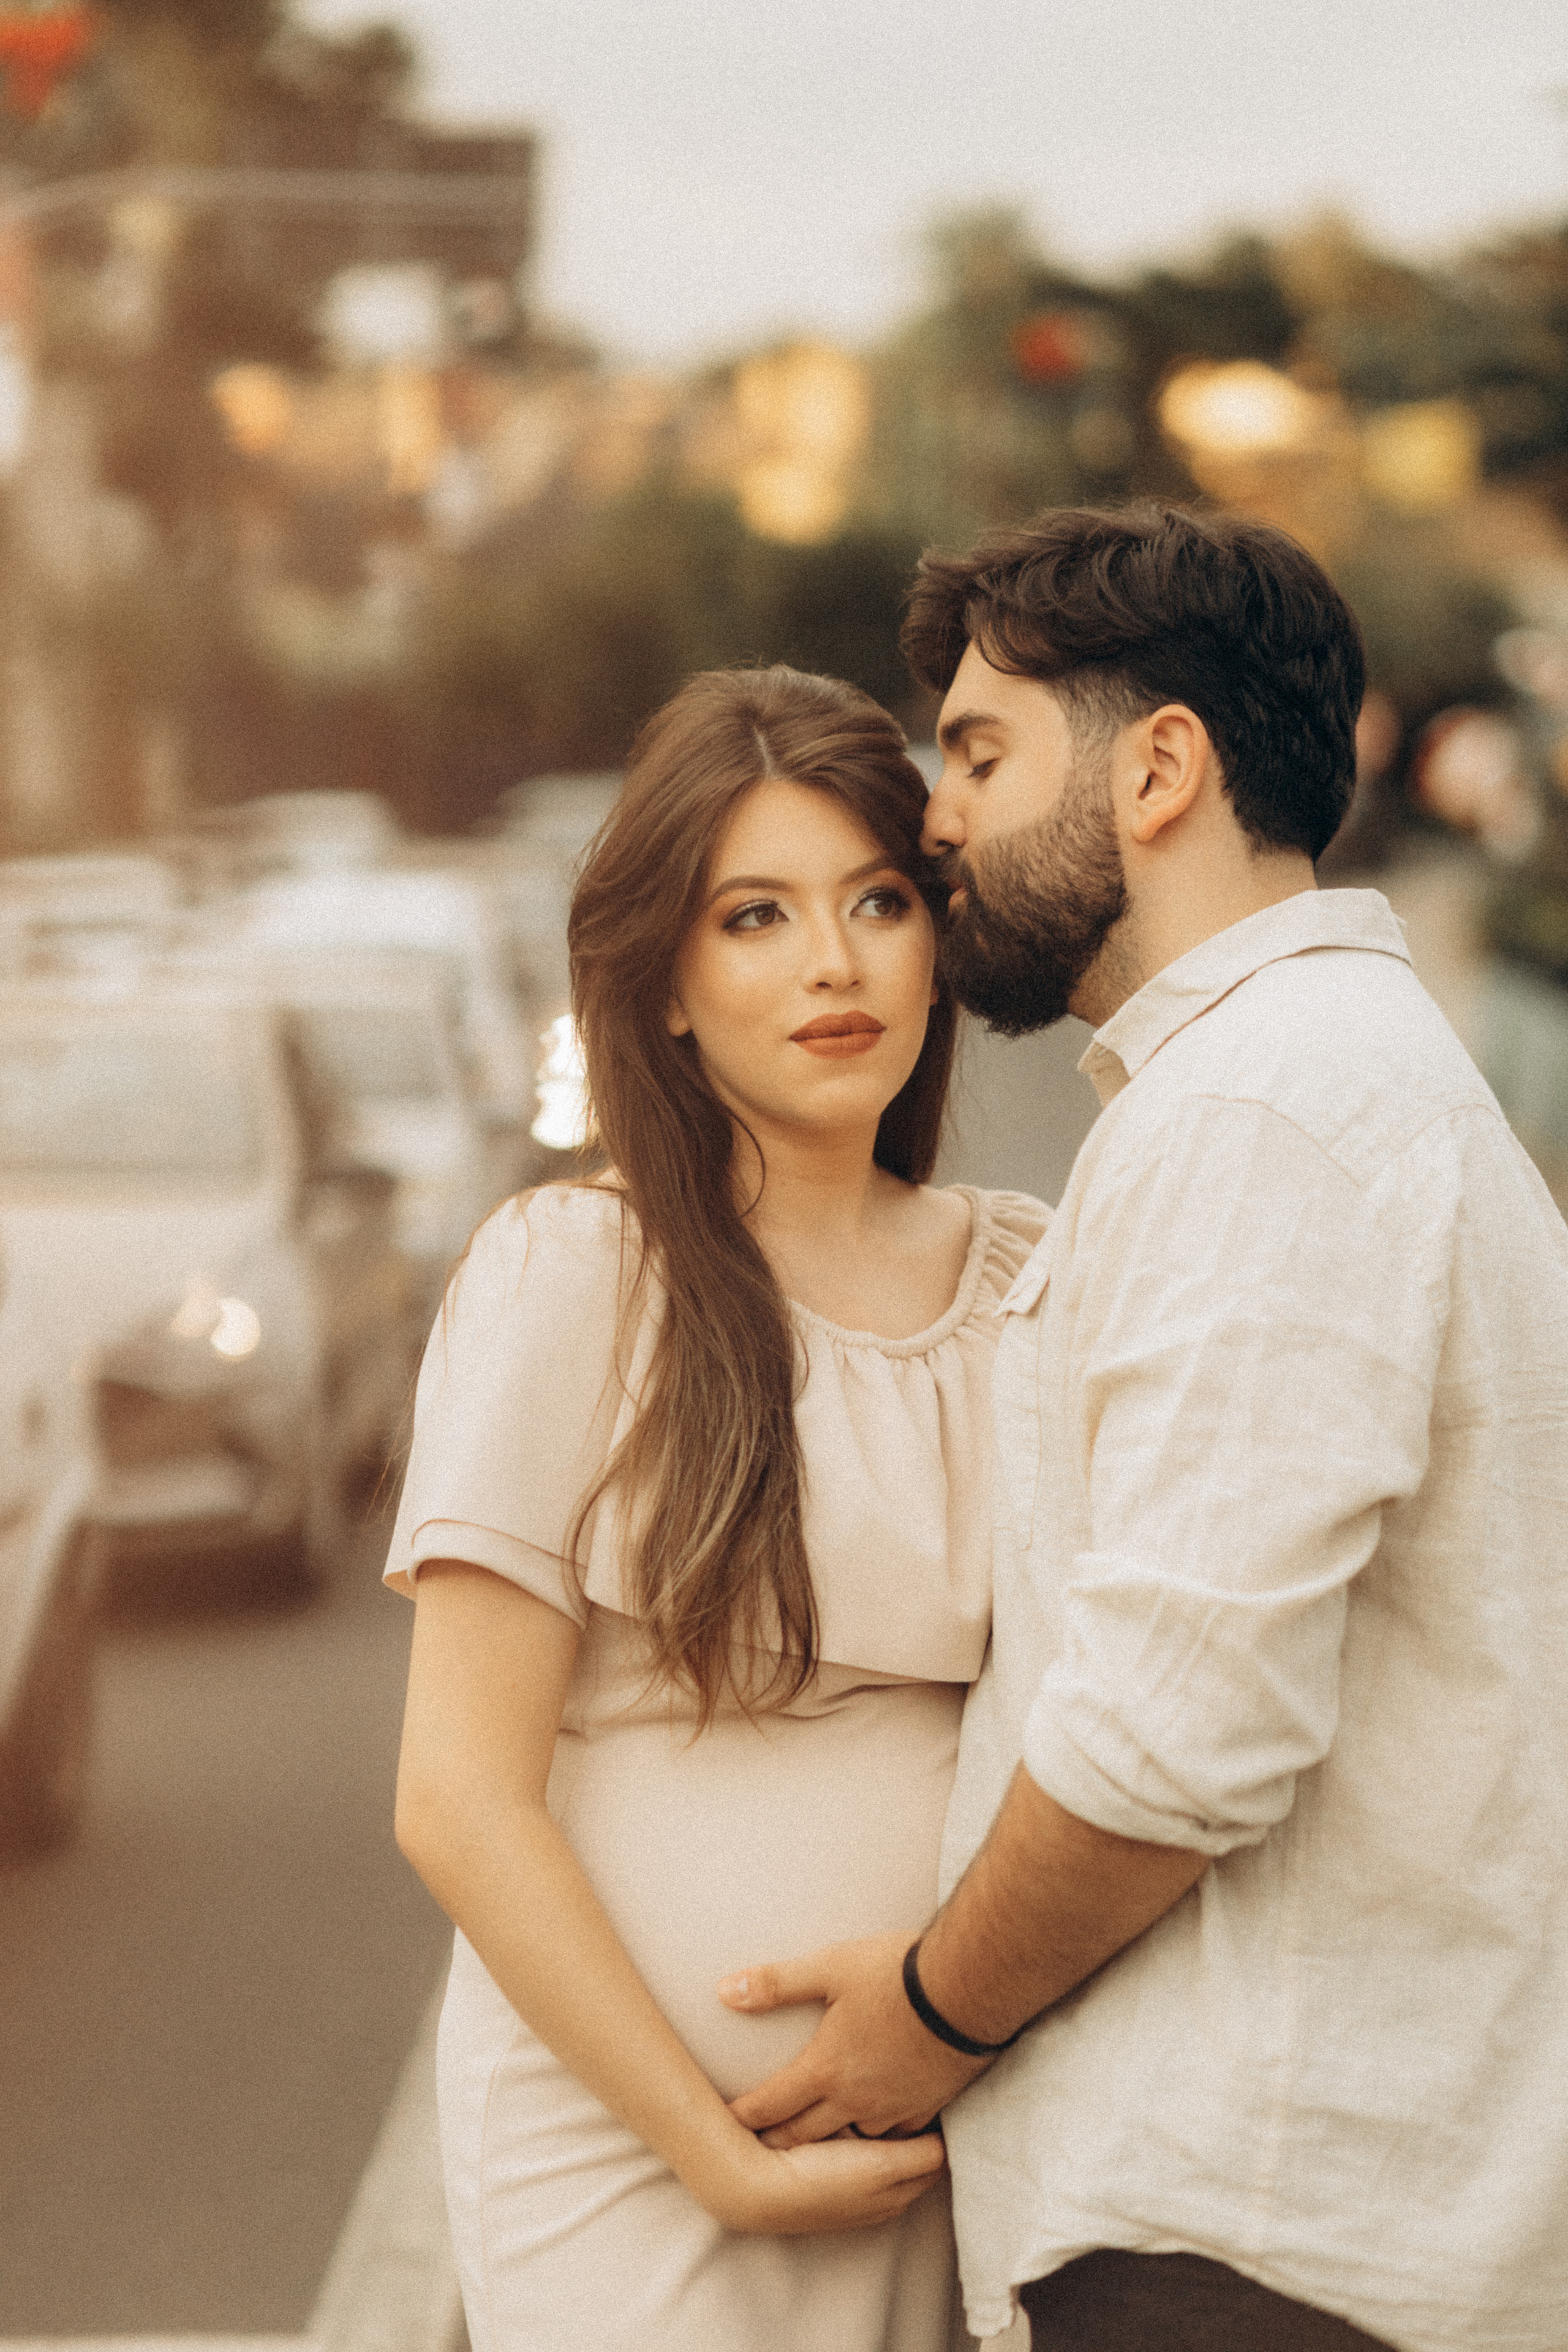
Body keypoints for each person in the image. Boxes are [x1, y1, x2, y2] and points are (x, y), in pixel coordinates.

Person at [720, 506, 1568, 2351]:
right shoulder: (1324, 1084)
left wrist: (934, 2014)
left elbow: (1181, 1733)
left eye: (982, 751)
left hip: (1249, 2243)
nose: (934, 819)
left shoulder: (1263, 1114)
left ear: (1160, 768)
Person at [386, 663, 1049, 2352]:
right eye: (755, 916)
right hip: (633, 2156)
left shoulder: (1038, 1280)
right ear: (667, 987)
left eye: (878, 902)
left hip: (956, 2131)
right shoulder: (577, 1275)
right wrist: (711, 2153)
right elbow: (460, 1800)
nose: (833, 963)